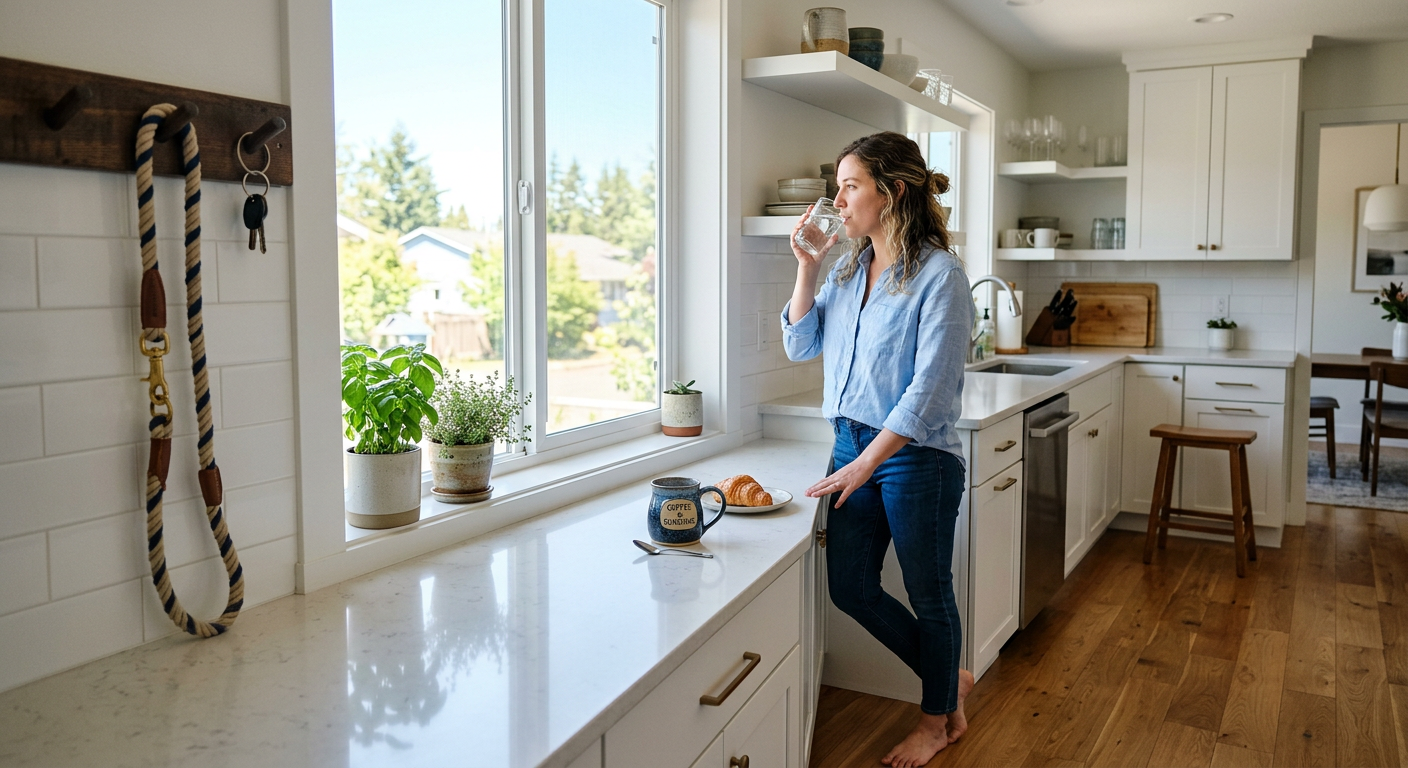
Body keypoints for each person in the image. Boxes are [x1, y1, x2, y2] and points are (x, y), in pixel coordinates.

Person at [781, 131, 974, 768]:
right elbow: (801, 346)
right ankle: (950, 680)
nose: (837, 199)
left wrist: (869, 462)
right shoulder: (845, 268)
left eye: (850, 185)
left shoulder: (941, 277)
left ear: (890, 193)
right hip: (848, 441)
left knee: (928, 594)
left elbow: (931, 390)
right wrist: (807, 267)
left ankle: (934, 722)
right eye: (838, 186)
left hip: (916, 456)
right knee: (852, 588)